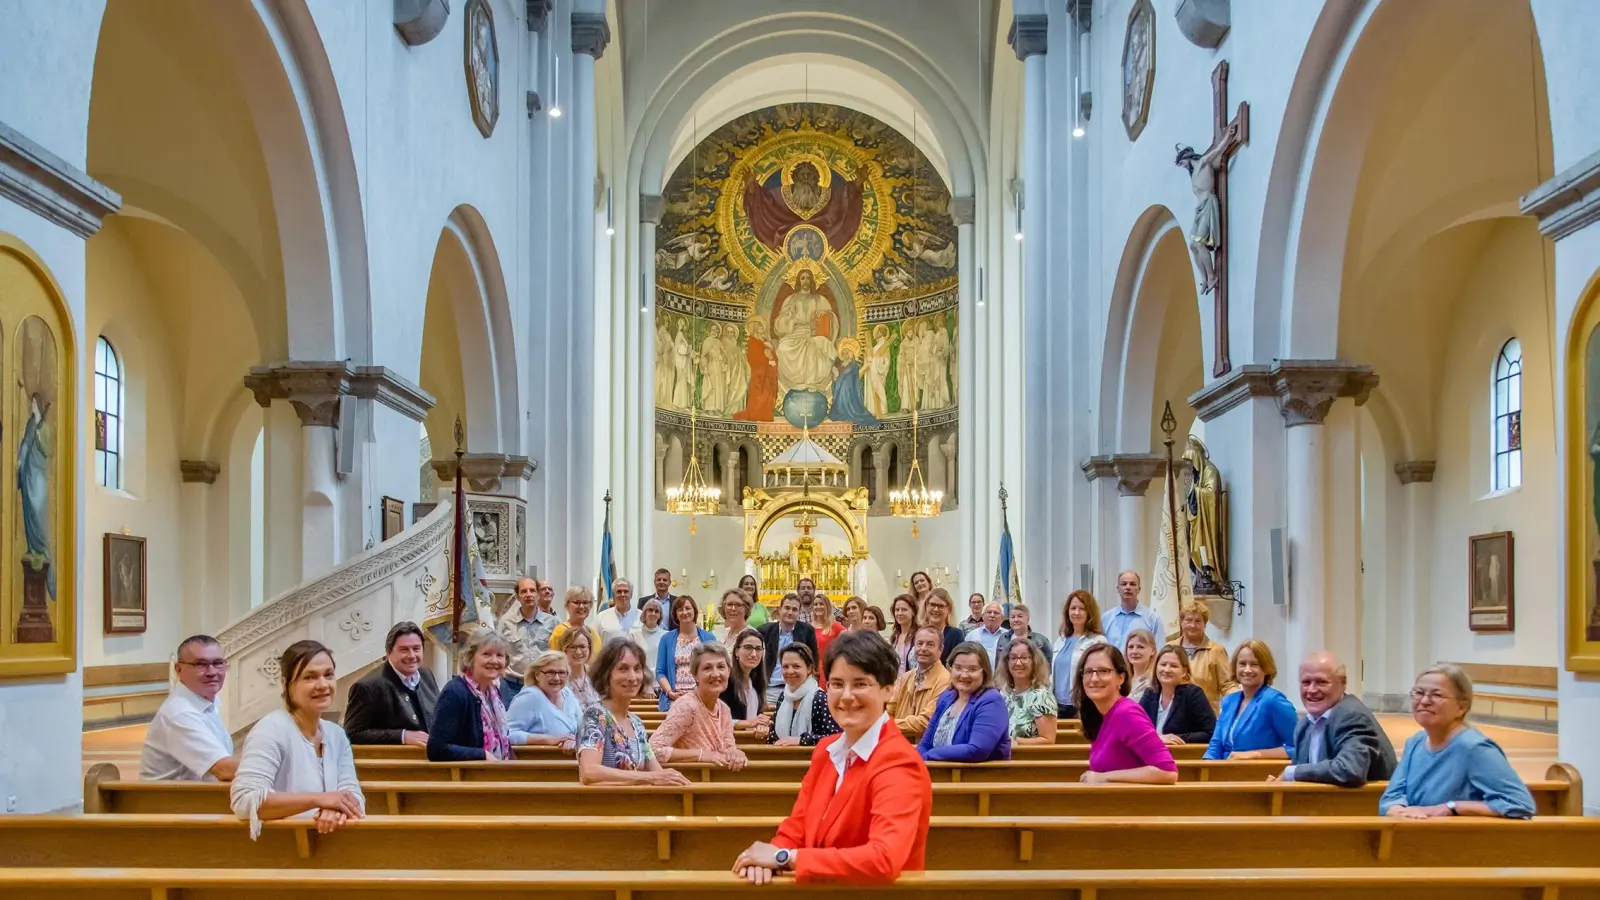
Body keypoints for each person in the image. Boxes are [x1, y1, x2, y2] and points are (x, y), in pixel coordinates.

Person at [732, 630, 933, 885]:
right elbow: (798, 824)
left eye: (860, 684)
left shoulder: (899, 762)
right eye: (837, 684)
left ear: (887, 690)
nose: (846, 696)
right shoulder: (826, 750)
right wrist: (772, 854)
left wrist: (785, 858)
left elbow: (883, 859)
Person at [230, 640, 364, 838]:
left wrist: (335, 808)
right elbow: (245, 801)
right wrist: (320, 800)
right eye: (309, 677)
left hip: (331, 843)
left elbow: (353, 795)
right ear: (286, 684)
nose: (323, 685)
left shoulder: (336, 734)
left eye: (328, 675)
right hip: (281, 846)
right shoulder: (270, 730)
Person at [1379, 664, 1535, 819]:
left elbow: (1519, 803)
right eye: (1419, 693)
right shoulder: (1415, 742)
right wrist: (1398, 810)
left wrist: (1451, 808)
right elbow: (1392, 796)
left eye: (1437, 695)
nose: (1425, 701)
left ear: (1461, 707)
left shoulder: (1474, 748)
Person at [577, 639, 693, 787]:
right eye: (623, 669)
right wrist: (649, 778)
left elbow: (657, 772)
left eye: (637, 669)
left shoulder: (636, 723)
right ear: (606, 674)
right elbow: (589, 772)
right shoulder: (595, 716)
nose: (632, 677)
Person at [1276, 651, 1396, 786]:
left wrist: (1292, 773)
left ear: (1343, 683)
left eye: (1321, 682)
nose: (1312, 690)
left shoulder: (1352, 716)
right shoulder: (1305, 724)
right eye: (1306, 682)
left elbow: (1350, 769)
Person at [1073, 644, 1178, 784]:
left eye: (1103, 671)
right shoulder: (1101, 715)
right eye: (1088, 671)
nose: (1094, 678)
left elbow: (1167, 772)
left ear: (1120, 678)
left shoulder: (1127, 714)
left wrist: (1104, 777)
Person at [140, 634, 238, 781]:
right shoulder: (180, 713)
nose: (212, 672)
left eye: (218, 663)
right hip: (175, 796)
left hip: (198, 793)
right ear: (178, 669)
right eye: (200, 664)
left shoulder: (205, 703)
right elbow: (226, 770)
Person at [649, 642, 750, 769]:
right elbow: (652, 750)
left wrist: (736, 754)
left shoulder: (724, 709)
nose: (715, 674)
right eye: (707, 668)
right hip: (690, 778)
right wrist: (701, 755)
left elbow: (728, 747)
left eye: (721, 667)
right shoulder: (686, 706)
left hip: (715, 778)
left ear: (729, 671)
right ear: (695, 675)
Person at [342, 621, 439, 747]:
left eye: (416, 649)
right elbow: (351, 734)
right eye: (404, 650)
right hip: (395, 758)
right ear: (388, 653)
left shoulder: (426, 675)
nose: (411, 655)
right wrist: (402, 736)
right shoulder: (367, 687)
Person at [428, 628, 515, 762]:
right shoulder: (455, 693)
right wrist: (482, 755)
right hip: (468, 773)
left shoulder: (493, 692)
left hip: (497, 770)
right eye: (486, 654)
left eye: (500, 655)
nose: (494, 660)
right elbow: (437, 748)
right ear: (471, 657)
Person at [1203, 639, 1297, 760]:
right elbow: (1216, 745)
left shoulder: (1274, 701)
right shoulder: (1229, 701)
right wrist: (1206, 766)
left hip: (1256, 770)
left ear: (1266, 668)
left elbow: (1298, 748)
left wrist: (1255, 754)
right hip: (1225, 769)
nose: (1247, 670)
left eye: (1254, 664)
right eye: (1242, 664)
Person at [917, 641, 1010, 762]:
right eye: (958, 668)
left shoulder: (991, 701)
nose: (964, 675)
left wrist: (929, 756)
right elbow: (925, 744)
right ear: (950, 669)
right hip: (936, 770)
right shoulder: (946, 697)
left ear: (984, 671)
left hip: (974, 773)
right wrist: (916, 762)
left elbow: (977, 750)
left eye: (972, 669)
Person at [1139, 645, 1217, 746]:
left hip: (1181, 753)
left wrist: (1173, 738)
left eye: (1173, 666)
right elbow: (1134, 727)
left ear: (1184, 672)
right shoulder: (1150, 693)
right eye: (1163, 664)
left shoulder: (1193, 694)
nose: (1167, 669)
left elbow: (1210, 732)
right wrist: (1156, 738)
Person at [506, 650, 583, 750]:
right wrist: (547, 739)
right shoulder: (530, 697)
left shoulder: (567, 693)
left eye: (561, 672)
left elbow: (583, 726)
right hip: (540, 758)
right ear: (537, 675)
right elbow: (507, 734)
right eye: (550, 672)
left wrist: (573, 740)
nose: (557, 678)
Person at [767, 643, 840, 746]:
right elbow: (773, 734)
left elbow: (835, 737)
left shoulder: (820, 698)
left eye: (796, 666)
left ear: (809, 668)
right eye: (785, 666)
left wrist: (802, 740)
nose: (790, 671)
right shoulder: (783, 697)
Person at [496, 576, 557, 699]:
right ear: (518, 597)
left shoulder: (553, 622)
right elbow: (497, 652)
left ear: (538, 594)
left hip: (543, 686)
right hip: (512, 687)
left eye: (532, 590)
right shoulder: (506, 623)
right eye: (524, 591)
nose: (528, 594)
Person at [1051, 589, 1108, 718]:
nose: (1076, 612)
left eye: (1081, 609)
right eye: (1073, 608)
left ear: (1089, 612)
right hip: (1057, 705)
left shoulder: (1097, 641)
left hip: (1082, 704)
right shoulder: (1060, 641)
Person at [889, 625, 950, 740]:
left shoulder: (945, 681)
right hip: (897, 741)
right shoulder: (906, 677)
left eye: (930, 644)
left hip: (922, 746)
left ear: (940, 650)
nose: (923, 648)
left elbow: (925, 722)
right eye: (920, 643)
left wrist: (886, 726)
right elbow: (890, 707)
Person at [656, 594, 715, 710]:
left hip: (703, 698)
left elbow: (714, 668)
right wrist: (670, 692)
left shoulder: (709, 638)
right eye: (680, 609)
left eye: (688, 608)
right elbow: (660, 672)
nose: (684, 612)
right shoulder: (666, 639)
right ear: (675, 614)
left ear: (694, 611)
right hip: (675, 698)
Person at [760, 593, 819, 706]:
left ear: (799, 612)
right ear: (779, 609)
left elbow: (813, 661)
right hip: (770, 690)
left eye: (794, 609)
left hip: (798, 689)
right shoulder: (764, 631)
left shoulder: (807, 631)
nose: (790, 612)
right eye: (787, 608)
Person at [1178, 600, 1236, 709]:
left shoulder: (1216, 651)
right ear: (1181, 622)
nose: (1193, 625)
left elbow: (1228, 685)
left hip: (1205, 714)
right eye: (1189, 620)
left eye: (1198, 621)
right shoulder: (1170, 648)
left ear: (1205, 624)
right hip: (1175, 715)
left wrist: (1239, 702)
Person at [999, 638, 1058, 745]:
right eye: (1013, 658)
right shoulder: (1004, 694)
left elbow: (1048, 740)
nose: (1018, 663)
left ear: (1034, 661)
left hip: (1027, 755)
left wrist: (1016, 742)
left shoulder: (1042, 696)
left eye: (1024, 657)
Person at [723, 628, 772, 736]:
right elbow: (717, 719)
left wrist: (761, 725)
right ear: (736, 651)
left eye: (758, 649)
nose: (754, 654)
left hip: (750, 739)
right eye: (748, 647)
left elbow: (758, 717)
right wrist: (749, 723)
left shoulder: (757, 682)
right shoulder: (726, 681)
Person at [1101, 571, 1164, 651]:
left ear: (1139, 589)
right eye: (1124, 584)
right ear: (1118, 589)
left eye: (1132, 584)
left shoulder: (1152, 619)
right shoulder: (1106, 618)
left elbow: (1159, 650)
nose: (1128, 587)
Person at [548, 585, 603, 662]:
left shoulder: (594, 634)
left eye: (585, 602)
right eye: (576, 602)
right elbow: (554, 661)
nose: (581, 606)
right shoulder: (560, 632)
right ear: (567, 605)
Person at [628, 598, 667, 697]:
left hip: (662, 686)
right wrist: (646, 684)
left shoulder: (666, 636)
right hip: (640, 685)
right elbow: (632, 662)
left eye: (657, 611)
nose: (653, 613)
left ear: (660, 616)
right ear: (644, 613)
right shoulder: (633, 635)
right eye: (650, 610)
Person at [921, 588, 966, 665]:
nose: (936, 609)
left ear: (949, 609)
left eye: (941, 606)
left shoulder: (956, 635)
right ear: (926, 606)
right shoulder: (918, 632)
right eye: (932, 604)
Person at [559, 627, 600, 707]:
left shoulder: (597, 676)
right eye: (572, 647)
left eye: (582, 646)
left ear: (589, 648)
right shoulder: (558, 679)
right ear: (564, 650)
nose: (578, 652)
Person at [594, 578, 641, 647]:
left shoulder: (642, 617)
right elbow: (595, 643)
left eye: (626, 591)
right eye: (619, 591)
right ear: (613, 596)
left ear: (631, 595)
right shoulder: (601, 617)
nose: (622, 594)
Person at [967, 600, 1008, 668]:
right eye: (989, 612)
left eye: (996, 613)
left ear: (1002, 618)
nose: (992, 615)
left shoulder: (1008, 636)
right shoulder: (972, 636)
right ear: (983, 616)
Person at [1124, 628, 1159, 706]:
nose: (1134, 651)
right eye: (1131, 647)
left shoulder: (1155, 682)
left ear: (1152, 651)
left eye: (1140, 647)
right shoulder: (1123, 679)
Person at [888, 594, 919, 673]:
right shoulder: (895, 636)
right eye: (897, 610)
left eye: (904, 610)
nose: (899, 613)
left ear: (913, 612)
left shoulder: (919, 635)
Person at [809, 592, 846, 659]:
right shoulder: (808, 627)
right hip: (812, 664)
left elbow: (848, 641)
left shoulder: (835, 626)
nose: (818, 607)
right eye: (815, 604)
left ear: (827, 606)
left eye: (821, 604)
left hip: (828, 664)